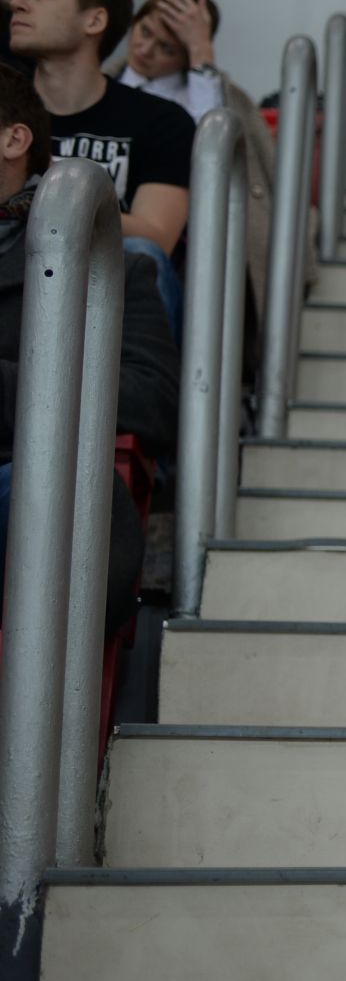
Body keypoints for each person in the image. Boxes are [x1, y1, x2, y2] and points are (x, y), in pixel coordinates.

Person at [0, 64, 176, 632]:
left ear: (14, 138)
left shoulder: (109, 268)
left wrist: (11, 387)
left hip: (23, 477)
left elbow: (152, 400)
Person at [10, 0, 192, 337]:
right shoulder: (7, 108)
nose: (17, 2)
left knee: (141, 256)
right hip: (13, 274)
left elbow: (155, 236)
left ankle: (136, 394)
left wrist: (50, 210)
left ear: (94, 19)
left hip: (106, 287)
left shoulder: (161, 120)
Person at [112, 0, 283, 321]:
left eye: (166, 48)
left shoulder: (206, 95)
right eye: (143, 31)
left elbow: (212, 153)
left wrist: (202, 51)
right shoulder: (100, 79)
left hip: (182, 249)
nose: (145, 50)